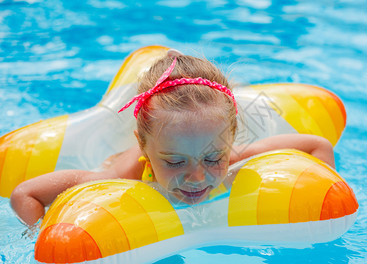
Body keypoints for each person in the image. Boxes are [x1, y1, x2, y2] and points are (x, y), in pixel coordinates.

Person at [10, 49, 335, 227]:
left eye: (212, 158)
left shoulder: (235, 156)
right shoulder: (120, 177)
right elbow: (25, 194)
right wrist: (40, 234)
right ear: (143, 147)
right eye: (175, 161)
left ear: (231, 137)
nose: (197, 177)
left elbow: (317, 145)